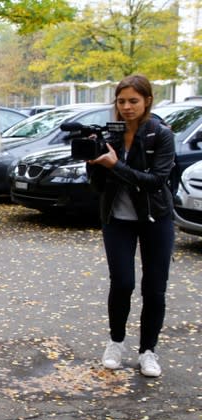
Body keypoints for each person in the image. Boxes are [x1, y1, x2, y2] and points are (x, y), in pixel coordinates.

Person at [86, 74, 175, 377]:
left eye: (133, 101)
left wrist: (116, 165)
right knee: (122, 283)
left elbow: (155, 182)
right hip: (117, 220)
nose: (126, 107)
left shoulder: (161, 134)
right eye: (121, 101)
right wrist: (94, 164)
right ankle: (116, 342)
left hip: (156, 218)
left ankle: (148, 351)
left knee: (154, 288)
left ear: (147, 100)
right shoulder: (109, 136)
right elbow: (98, 187)